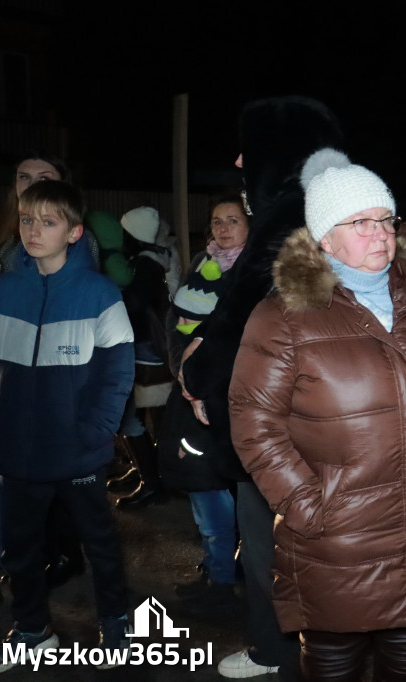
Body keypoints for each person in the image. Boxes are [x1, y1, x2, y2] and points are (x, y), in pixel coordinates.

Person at [228, 147, 406, 682]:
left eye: (386, 220)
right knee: (333, 666)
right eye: (360, 222)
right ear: (324, 238)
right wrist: (307, 503)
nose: (381, 233)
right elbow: (255, 423)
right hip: (337, 544)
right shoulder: (284, 317)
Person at [178, 95, 345, 680]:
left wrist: (197, 372)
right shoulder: (323, 208)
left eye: (253, 150)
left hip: (279, 420)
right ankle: (290, 650)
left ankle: (282, 653)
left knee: (270, 542)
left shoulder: (286, 217)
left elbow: (245, 319)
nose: (241, 161)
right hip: (318, 415)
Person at [0, 181, 135, 671]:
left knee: (99, 544)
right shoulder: (2, 291)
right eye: (28, 219)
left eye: (48, 222)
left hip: (78, 452)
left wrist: (94, 431)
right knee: (21, 549)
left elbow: (119, 371)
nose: (33, 230)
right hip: (15, 452)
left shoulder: (99, 292)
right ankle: (32, 631)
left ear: (74, 232)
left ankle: (115, 629)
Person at [158, 193, 248, 615]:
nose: (223, 229)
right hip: (191, 391)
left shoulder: (254, 272)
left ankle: (225, 580)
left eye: (233, 220)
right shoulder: (201, 265)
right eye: (216, 221)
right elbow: (176, 322)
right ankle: (217, 571)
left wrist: (201, 383)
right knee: (203, 485)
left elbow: (231, 338)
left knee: (218, 489)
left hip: (227, 396)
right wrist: (183, 371)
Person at [113, 205, 174, 509]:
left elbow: (135, 303)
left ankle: (151, 482)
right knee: (134, 417)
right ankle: (144, 472)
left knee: (130, 417)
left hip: (144, 351)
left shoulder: (145, 265)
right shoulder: (151, 261)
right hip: (146, 347)